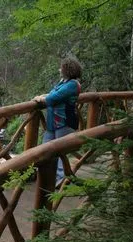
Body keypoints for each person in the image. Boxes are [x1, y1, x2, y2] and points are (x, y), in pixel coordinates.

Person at [33, 57, 82, 187]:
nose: (59, 69)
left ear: (67, 69)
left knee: (61, 153)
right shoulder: (63, 82)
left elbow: (53, 98)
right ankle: (44, 178)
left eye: (61, 67)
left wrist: (42, 98)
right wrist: (42, 96)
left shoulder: (72, 84)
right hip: (53, 123)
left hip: (65, 122)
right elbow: (51, 94)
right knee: (44, 150)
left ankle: (60, 182)